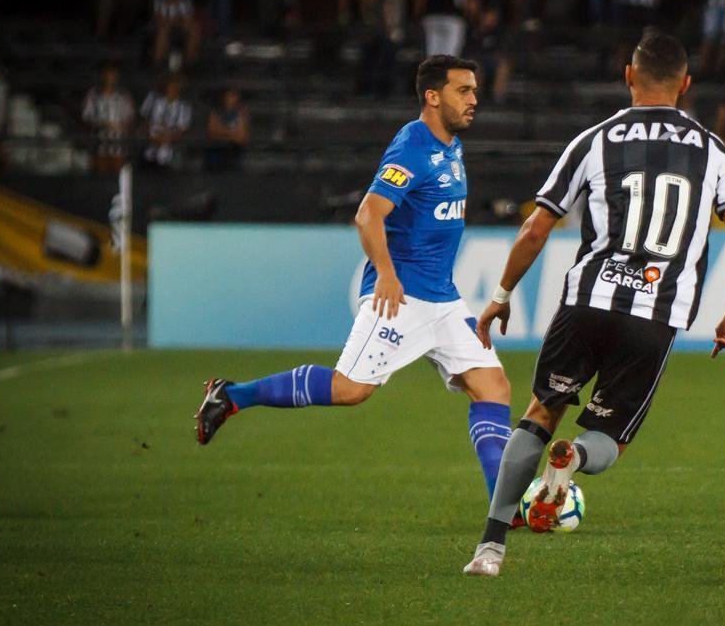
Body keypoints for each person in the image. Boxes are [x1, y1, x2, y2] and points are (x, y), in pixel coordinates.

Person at [463, 30, 725, 576]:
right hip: (658, 313)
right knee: (610, 439)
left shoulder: (594, 140)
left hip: (588, 300)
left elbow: (535, 228)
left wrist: (501, 295)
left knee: (540, 412)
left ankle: (490, 549)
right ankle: (572, 460)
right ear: (686, 85)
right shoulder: (715, 151)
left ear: (628, 76)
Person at [194, 56, 514, 504]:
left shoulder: (450, 144)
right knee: (350, 389)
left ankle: (506, 505)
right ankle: (233, 395)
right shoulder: (413, 149)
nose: (475, 100)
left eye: (475, 91)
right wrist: (385, 274)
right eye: (464, 91)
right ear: (432, 96)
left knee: (493, 385)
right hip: (402, 297)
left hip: (443, 299)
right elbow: (368, 215)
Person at [82, 62, 135, 174]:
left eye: (113, 75)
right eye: (107, 75)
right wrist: (103, 124)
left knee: (117, 174)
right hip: (99, 142)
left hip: (118, 143)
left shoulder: (123, 95)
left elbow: (130, 116)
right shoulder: (94, 94)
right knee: (99, 174)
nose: (110, 78)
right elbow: (86, 116)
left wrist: (122, 127)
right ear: (103, 76)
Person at [140, 74, 191, 170]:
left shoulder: (184, 106)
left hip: (170, 140)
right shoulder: (154, 100)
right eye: (170, 85)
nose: (172, 89)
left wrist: (166, 139)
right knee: (148, 156)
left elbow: (182, 130)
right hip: (151, 138)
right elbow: (144, 121)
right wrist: (151, 137)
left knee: (165, 157)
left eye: (175, 86)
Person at [151, 0, 200, 67]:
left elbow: (188, 18)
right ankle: (158, 60)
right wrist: (171, 20)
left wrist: (177, 20)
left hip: (179, 24)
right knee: (163, 30)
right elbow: (158, 18)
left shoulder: (185, 1)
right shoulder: (159, 0)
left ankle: (190, 59)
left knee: (195, 29)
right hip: (164, 24)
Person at [205, 87, 248, 170]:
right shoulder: (215, 111)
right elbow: (211, 133)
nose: (230, 99)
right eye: (228, 96)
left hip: (235, 150)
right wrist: (232, 134)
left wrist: (221, 131)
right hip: (216, 148)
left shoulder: (242, 112)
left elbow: (242, 138)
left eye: (234, 96)